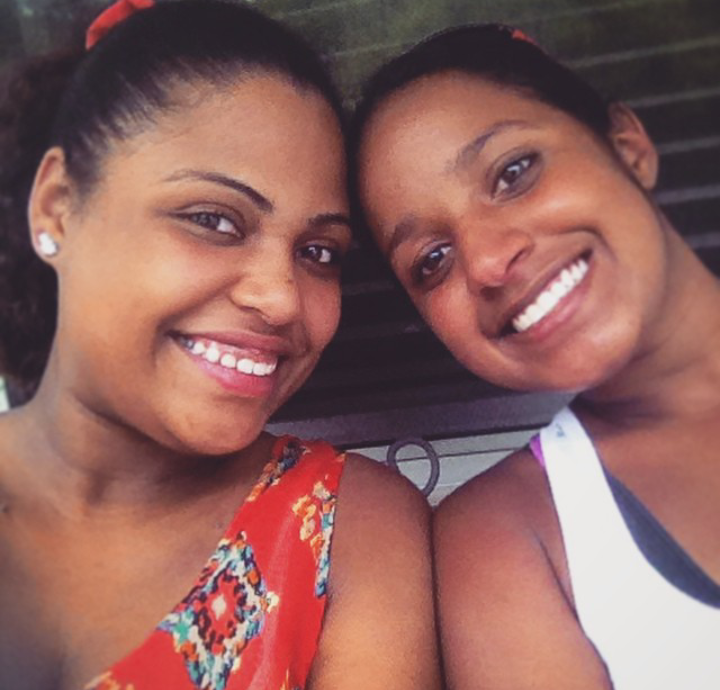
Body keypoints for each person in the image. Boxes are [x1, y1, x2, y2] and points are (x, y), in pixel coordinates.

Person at [0, 2, 440, 688]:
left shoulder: (344, 527)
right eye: (214, 220)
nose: (282, 298)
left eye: (319, 251)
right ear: (57, 205)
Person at [352, 24, 720, 690]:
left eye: (513, 173)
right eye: (432, 260)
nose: (489, 261)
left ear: (627, 147)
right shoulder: (507, 540)